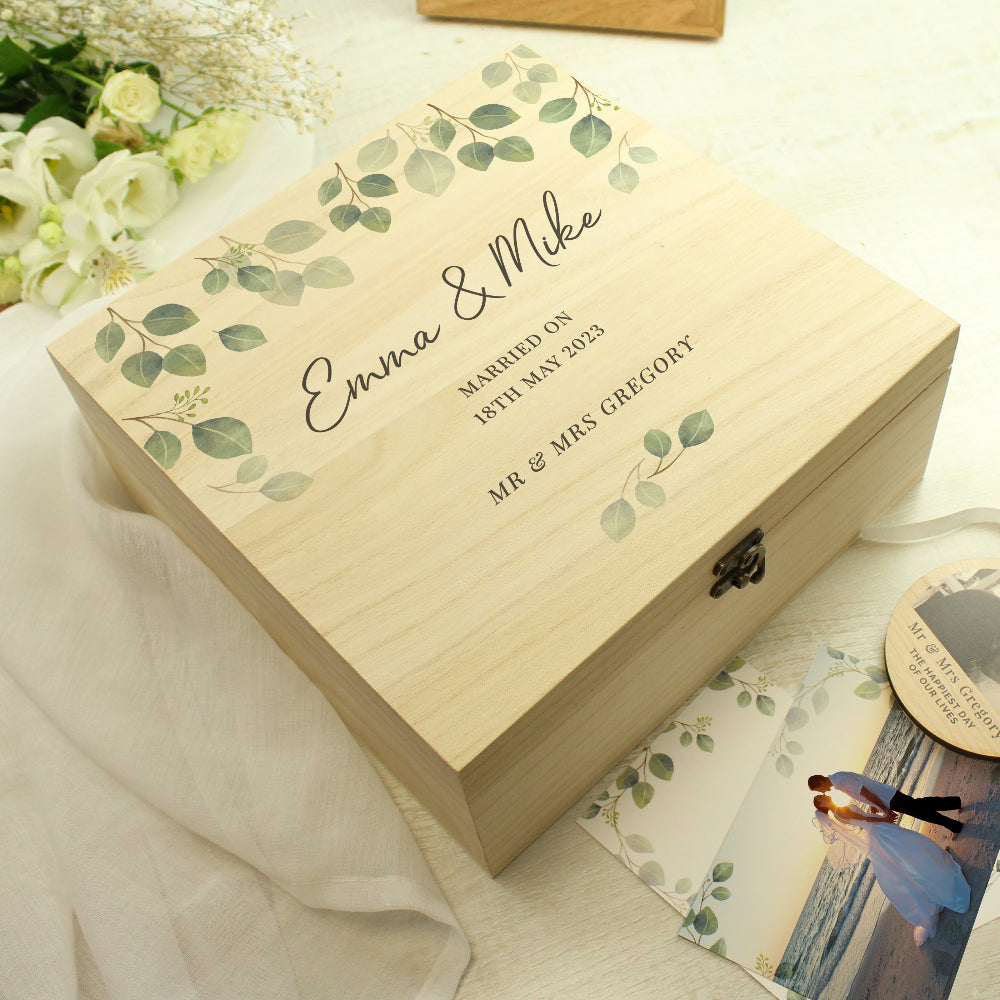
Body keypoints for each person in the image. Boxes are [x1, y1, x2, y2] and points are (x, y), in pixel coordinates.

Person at [813, 795, 970, 946]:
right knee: (911, 848)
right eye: (821, 798)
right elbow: (864, 820)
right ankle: (937, 870)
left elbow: (861, 820)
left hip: (877, 831)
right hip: (880, 831)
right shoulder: (839, 812)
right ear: (822, 805)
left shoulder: (838, 812)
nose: (824, 796)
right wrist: (884, 819)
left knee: (910, 849)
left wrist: (873, 813)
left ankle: (936, 866)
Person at [807, 771, 962, 836]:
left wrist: (884, 809)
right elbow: (864, 790)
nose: (822, 792)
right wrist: (874, 806)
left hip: (887, 798)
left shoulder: (840, 781)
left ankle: (955, 825)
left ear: (820, 782)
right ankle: (956, 803)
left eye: (818, 789)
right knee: (921, 806)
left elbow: (865, 792)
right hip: (886, 795)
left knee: (921, 811)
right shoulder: (838, 779)